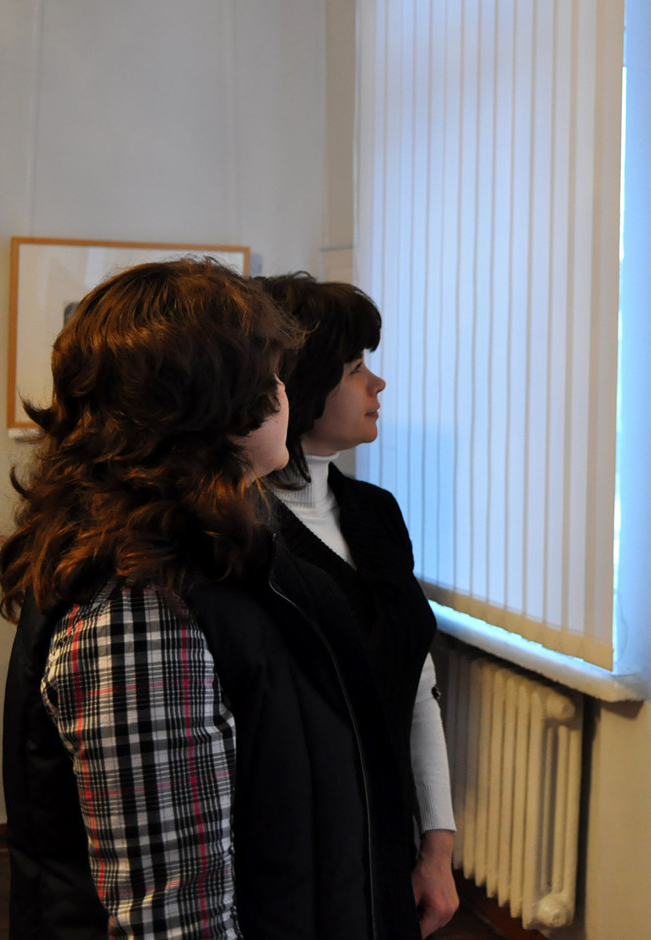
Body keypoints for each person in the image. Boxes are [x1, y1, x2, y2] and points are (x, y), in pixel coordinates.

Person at [0, 258, 421, 939]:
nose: (284, 393)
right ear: (215, 403)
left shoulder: (223, 556)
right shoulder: (140, 607)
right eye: (272, 375)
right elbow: (175, 917)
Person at [259, 274, 459, 938]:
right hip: (296, 863)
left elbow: (416, 685)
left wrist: (437, 846)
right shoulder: (243, 534)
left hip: (387, 836)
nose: (377, 384)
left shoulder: (376, 512)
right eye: (354, 369)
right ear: (300, 386)